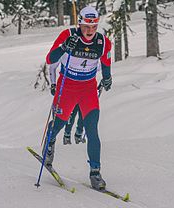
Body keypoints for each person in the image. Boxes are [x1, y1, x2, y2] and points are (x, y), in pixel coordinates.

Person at [43, 6, 112, 190]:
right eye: (86, 27)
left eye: (94, 27)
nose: (90, 31)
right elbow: (50, 59)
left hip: (88, 88)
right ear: (79, 23)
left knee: (92, 131)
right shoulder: (68, 35)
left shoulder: (103, 42)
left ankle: (95, 173)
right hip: (67, 86)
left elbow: (106, 61)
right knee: (59, 123)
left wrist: (107, 77)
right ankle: (49, 144)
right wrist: (64, 47)